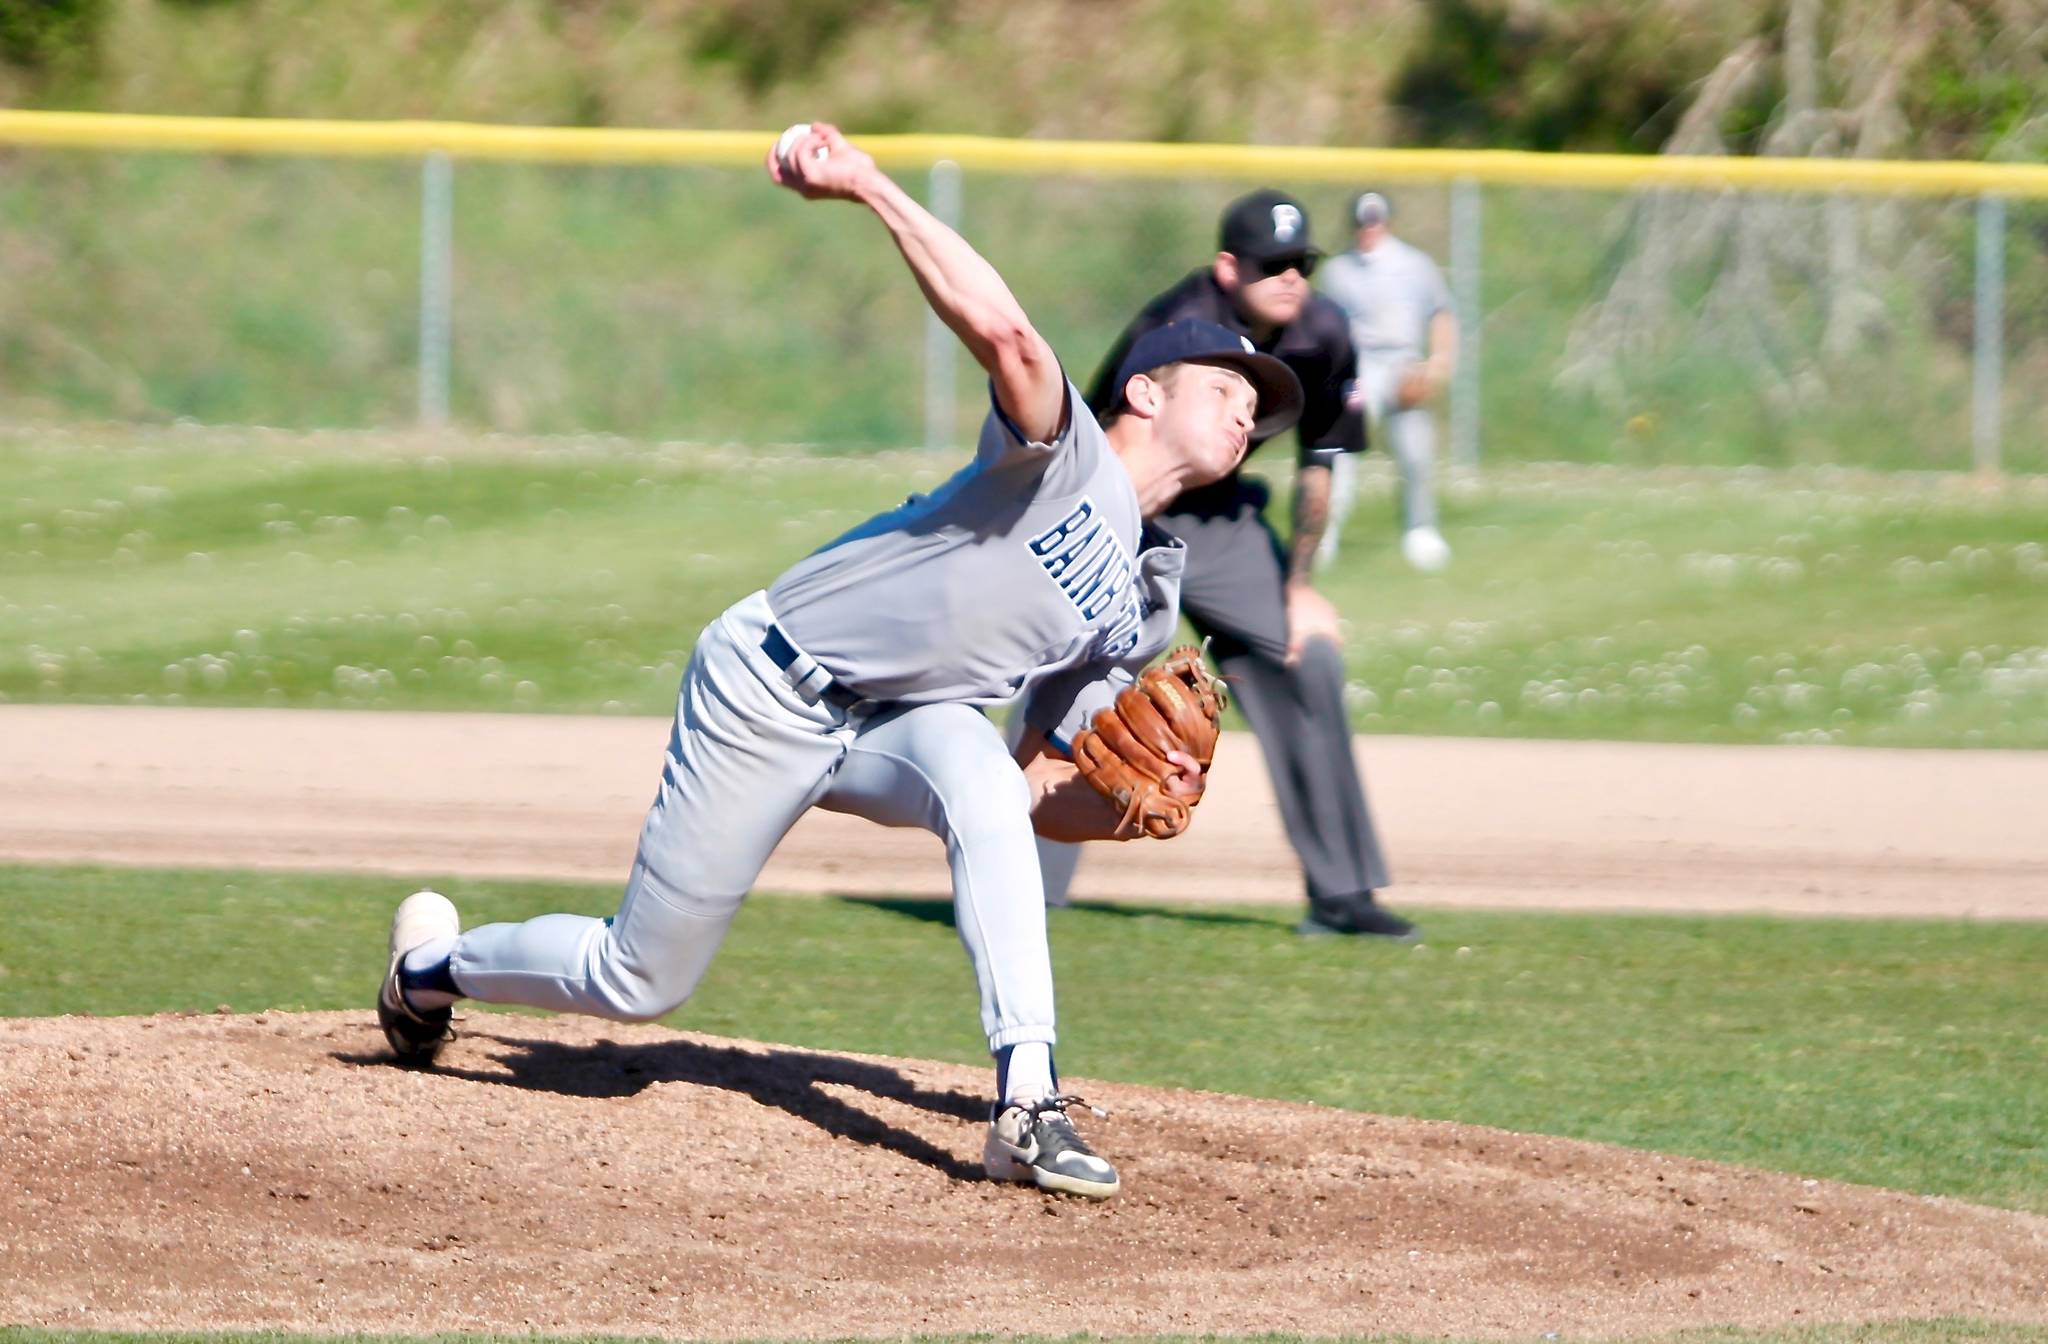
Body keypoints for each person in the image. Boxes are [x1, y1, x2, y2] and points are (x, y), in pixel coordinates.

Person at [373, 121, 1306, 1203]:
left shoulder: (1140, 601)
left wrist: (1119, 809)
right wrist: (865, 184)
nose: (1248, 406)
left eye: (1260, 406)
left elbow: (1031, 793)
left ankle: (1027, 1104)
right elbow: (1005, 335)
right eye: (1225, 383)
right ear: (1144, 392)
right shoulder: (1064, 457)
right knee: (637, 980)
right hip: (766, 687)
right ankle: (429, 972)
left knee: (982, 793)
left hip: (901, 727)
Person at [1051, 188, 1415, 941]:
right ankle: (1025, 872)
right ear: (1227, 267)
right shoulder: (1172, 328)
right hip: (1132, 505)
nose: (1290, 276)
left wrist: (1299, 588)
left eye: (1301, 262)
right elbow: (1099, 437)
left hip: (1221, 520)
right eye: (1271, 263)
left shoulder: (1321, 331)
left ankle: (1342, 895)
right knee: (1069, 677)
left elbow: (1322, 461)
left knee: (1305, 660)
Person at [1316, 190, 1459, 573]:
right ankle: (1323, 530)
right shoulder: (1338, 271)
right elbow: (1324, 327)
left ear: (1388, 223)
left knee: (1415, 452)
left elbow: (1441, 313)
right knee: (1341, 451)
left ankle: (1420, 529)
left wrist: (1439, 363)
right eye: (1363, 223)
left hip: (1403, 362)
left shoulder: (1415, 264)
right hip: (1358, 367)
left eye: (1375, 221)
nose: (1369, 230)